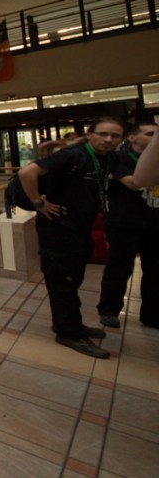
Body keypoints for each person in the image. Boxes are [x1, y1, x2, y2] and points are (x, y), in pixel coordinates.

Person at [17, 117, 125, 358]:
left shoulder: (107, 157)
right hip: (58, 228)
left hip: (80, 226)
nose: (108, 140)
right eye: (103, 134)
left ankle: (70, 324)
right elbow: (27, 172)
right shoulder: (72, 155)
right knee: (63, 281)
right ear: (90, 135)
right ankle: (69, 333)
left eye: (115, 136)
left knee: (72, 279)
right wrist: (38, 202)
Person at [97, 123, 159, 329]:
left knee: (155, 270)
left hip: (153, 222)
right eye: (150, 134)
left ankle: (152, 314)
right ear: (132, 138)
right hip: (124, 223)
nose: (154, 137)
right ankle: (109, 310)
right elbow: (134, 182)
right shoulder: (119, 159)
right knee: (120, 268)